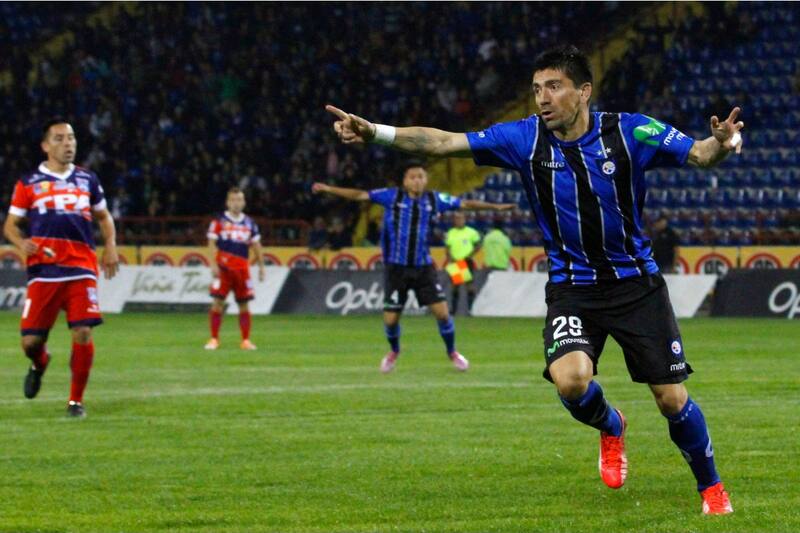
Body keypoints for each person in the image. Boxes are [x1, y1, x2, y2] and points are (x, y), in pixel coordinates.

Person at [323, 44, 744, 514]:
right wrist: (375, 132)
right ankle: (611, 426)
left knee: (670, 397)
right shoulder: (524, 138)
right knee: (571, 381)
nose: (542, 98)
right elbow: (444, 143)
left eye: (554, 87)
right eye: (537, 89)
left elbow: (701, 154)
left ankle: (712, 489)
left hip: (635, 285)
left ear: (583, 92)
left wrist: (723, 143)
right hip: (571, 288)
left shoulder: (631, 131)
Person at [312, 162, 514, 373]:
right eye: (412, 176)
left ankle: (452, 352)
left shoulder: (434, 199)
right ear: (405, 181)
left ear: (426, 180)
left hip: (423, 268)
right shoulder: (392, 196)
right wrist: (329, 189)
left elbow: (464, 204)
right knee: (390, 320)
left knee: (443, 314)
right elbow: (360, 195)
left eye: (421, 176)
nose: (417, 180)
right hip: (396, 269)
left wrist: (495, 207)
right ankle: (394, 352)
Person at [3, 118, 119, 418]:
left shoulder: (87, 180)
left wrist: (111, 247)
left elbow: (104, 217)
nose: (68, 144)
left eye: (71, 138)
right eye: (59, 138)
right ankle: (40, 361)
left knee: (82, 331)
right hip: (44, 270)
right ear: (45, 146)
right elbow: (11, 226)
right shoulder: (28, 183)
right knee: (30, 342)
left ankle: (75, 401)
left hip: (81, 267)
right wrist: (20, 243)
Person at [205, 187, 265, 351]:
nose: (236, 203)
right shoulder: (218, 221)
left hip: (242, 271)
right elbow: (211, 244)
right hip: (223, 269)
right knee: (217, 303)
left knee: (244, 305)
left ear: (244, 202)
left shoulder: (250, 223)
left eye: (239, 200)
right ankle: (214, 339)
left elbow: (256, 246)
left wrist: (261, 267)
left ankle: (245, 340)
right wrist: (212, 264)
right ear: (227, 202)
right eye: (233, 200)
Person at [444, 211, 481, 314]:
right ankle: (454, 310)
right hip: (456, 261)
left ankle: (470, 309)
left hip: (466, 261)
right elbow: (447, 247)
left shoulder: (471, 232)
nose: (458, 220)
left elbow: (478, 245)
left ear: (464, 220)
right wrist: (450, 258)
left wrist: (469, 255)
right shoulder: (451, 232)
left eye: (460, 218)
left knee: (469, 286)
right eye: (456, 218)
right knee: (455, 286)